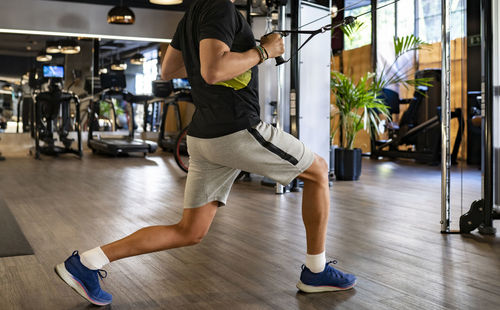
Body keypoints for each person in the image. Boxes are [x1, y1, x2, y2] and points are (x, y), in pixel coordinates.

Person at [54, 0, 356, 305]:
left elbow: (168, 69)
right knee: (318, 170)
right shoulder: (220, 8)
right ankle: (316, 272)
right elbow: (213, 72)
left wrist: (234, 55)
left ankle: (88, 262)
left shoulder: (194, 13)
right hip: (237, 129)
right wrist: (263, 51)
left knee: (189, 231)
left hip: (203, 136)